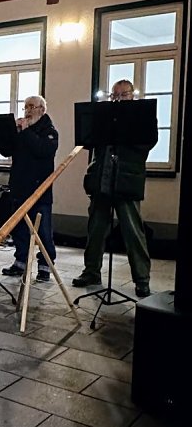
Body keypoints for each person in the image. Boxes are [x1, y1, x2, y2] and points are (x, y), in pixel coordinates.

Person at [72, 79, 156, 298]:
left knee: (133, 231)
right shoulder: (103, 116)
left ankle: (142, 279)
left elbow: (149, 142)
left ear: (132, 96)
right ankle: (91, 272)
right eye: (115, 95)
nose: (118, 99)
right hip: (102, 180)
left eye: (123, 95)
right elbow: (88, 141)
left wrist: (125, 129)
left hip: (126, 181)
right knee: (96, 229)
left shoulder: (141, 115)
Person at [0, 96, 58, 283]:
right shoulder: (22, 131)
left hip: (39, 191)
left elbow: (42, 150)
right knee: (19, 230)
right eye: (25, 107)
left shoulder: (50, 131)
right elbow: (5, 151)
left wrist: (24, 132)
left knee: (43, 232)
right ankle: (20, 262)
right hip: (19, 188)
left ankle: (45, 266)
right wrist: (11, 132)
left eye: (32, 107)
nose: (28, 110)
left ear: (42, 109)